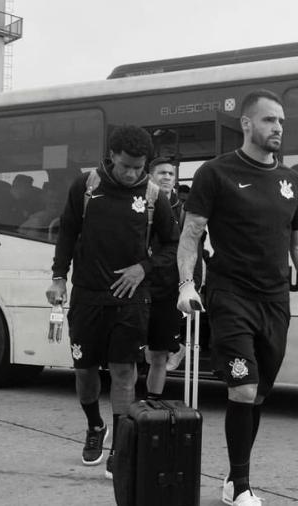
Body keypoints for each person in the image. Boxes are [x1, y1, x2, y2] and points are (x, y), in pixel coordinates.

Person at [177, 89, 298, 506]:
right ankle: (242, 486)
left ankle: (233, 477)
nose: (277, 127)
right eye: (268, 120)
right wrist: (186, 284)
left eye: (281, 121)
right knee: (242, 389)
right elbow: (191, 234)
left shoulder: (291, 182)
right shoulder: (216, 173)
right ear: (246, 124)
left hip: (274, 302)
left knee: (259, 394)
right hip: (230, 298)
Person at [45, 125, 179, 478]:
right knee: (85, 372)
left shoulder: (153, 196)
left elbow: (171, 245)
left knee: (123, 372)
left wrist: (142, 268)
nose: (132, 173)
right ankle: (94, 426)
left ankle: (120, 447)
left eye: (138, 167)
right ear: (111, 158)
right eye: (125, 166)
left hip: (132, 301)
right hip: (87, 297)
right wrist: (59, 277)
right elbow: (68, 232)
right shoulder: (86, 187)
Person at [142, 157, 187, 400]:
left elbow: (194, 250)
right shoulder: (140, 205)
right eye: (162, 172)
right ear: (150, 176)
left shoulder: (184, 210)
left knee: (159, 354)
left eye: (171, 173)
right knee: (130, 352)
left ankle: (152, 401)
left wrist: (191, 284)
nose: (167, 177)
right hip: (141, 286)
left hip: (169, 290)